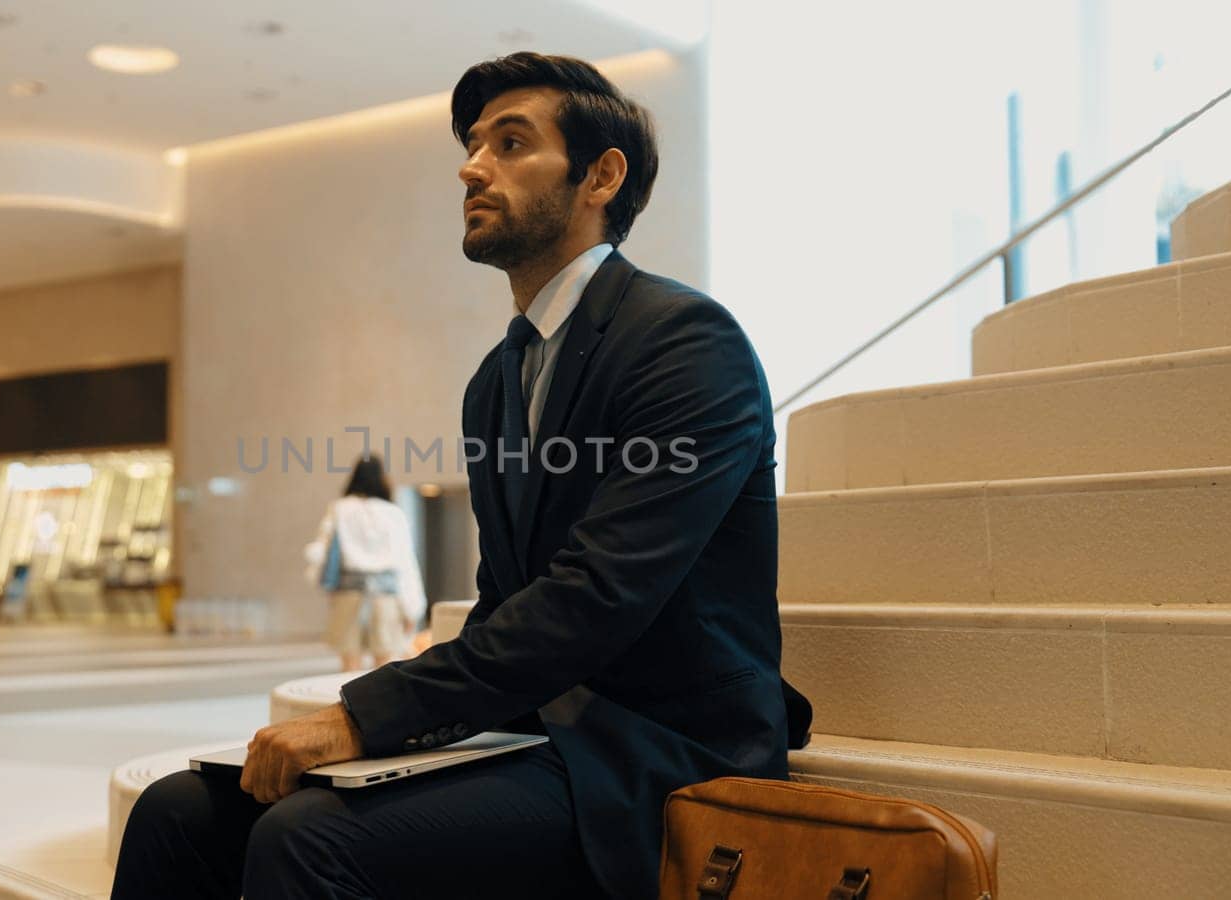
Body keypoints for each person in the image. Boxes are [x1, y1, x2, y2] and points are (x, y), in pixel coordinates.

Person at [112, 51, 812, 900]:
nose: (471, 166)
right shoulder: (496, 381)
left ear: (601, 175)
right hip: (539, 731)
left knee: (311, 838)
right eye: (475, 144)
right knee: (179, 811)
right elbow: (507, 599)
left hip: (658, 751)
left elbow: (595, 598)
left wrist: (367, 715)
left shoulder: (686, 343)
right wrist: (401, 716)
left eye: (511, 143)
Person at [303, 455, 426, 672]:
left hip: (348, 595)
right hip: (386, 597)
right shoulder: (393, 513)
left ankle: (350, 705)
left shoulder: (339, 509)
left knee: (349, 664)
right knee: (385, 663)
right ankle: (381, 705)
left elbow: (322, 551)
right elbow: (405, 562)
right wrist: (413, 608)